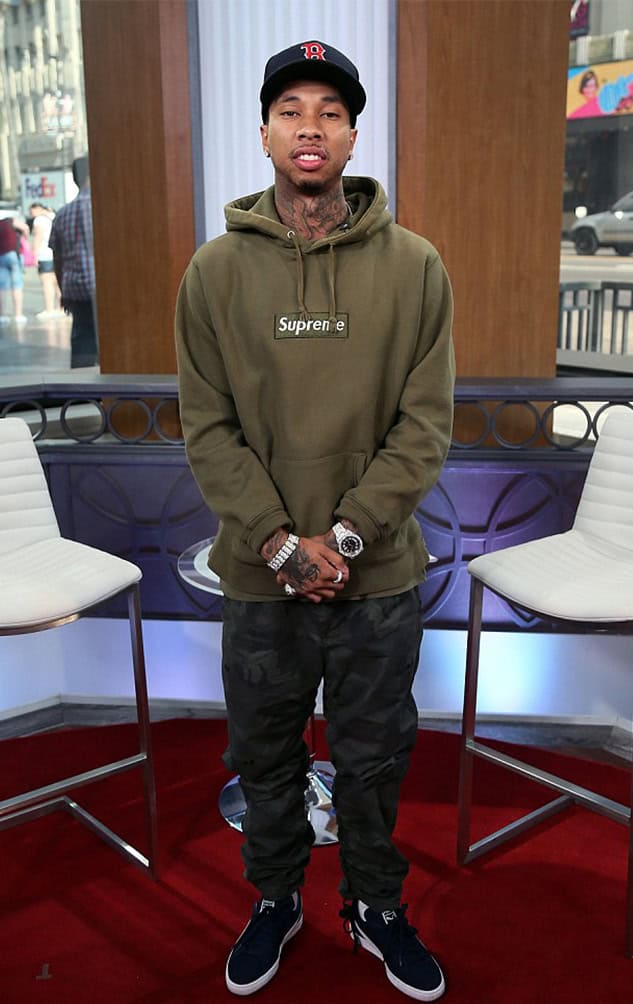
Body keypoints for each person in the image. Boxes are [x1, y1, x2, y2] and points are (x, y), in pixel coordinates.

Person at [176, 40, 455, 1001]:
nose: (309, 127)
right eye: (290, 110)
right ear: (263, 134)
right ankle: (275, 897)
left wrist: (340, 540)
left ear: (350, 135)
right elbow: (207, 427)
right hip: (261, 580)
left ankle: (376, 905)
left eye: (329, 111)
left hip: (375, 575)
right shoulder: (213, 272)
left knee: (374, 757)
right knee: (264, 753)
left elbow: (423, 427)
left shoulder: (415, 268)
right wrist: (276, 543)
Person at [49, 155, 98, 367]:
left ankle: (82, 381)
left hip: (74, 288)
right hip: (102, 287)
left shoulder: (62, 214)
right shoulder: (103, 209)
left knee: (82, 338)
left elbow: (57, 259)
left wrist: (63, 291)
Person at [29, 202, 62, 319]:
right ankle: (62, 309)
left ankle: (49, 309)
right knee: (57, 282)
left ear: (37, 209)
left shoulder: (39, 220)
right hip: (57, 253)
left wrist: (34, 254)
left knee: (47, 282)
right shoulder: (53, 216)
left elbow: (38, 237)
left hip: (44, 254)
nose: (31, 214)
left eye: (31, 211)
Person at [0, 212, 30, 325]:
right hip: (14, 255)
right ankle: (18, 315)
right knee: (17, 285)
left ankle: (2, 315)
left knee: (2, 287)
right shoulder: (10, 220)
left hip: (1, 256)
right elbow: (25, 228)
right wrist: (25, 237)